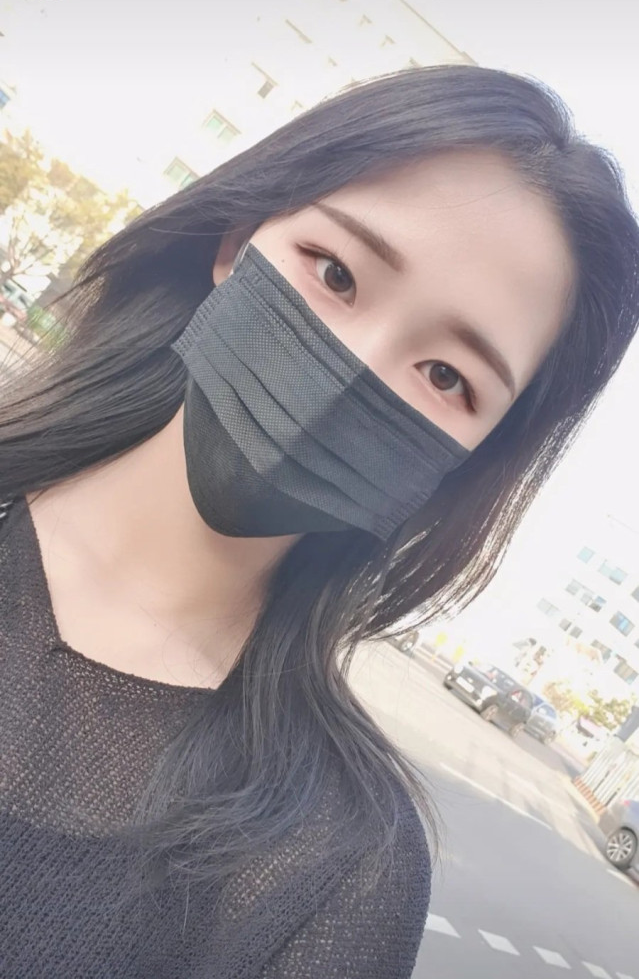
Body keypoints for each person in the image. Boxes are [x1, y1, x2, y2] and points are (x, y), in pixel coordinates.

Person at [0, 63, 638, 978]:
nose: (350, 367)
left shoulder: (337, 872)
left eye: (446, 377)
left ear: (469, 458)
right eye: (335, 272)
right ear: (237, 242)